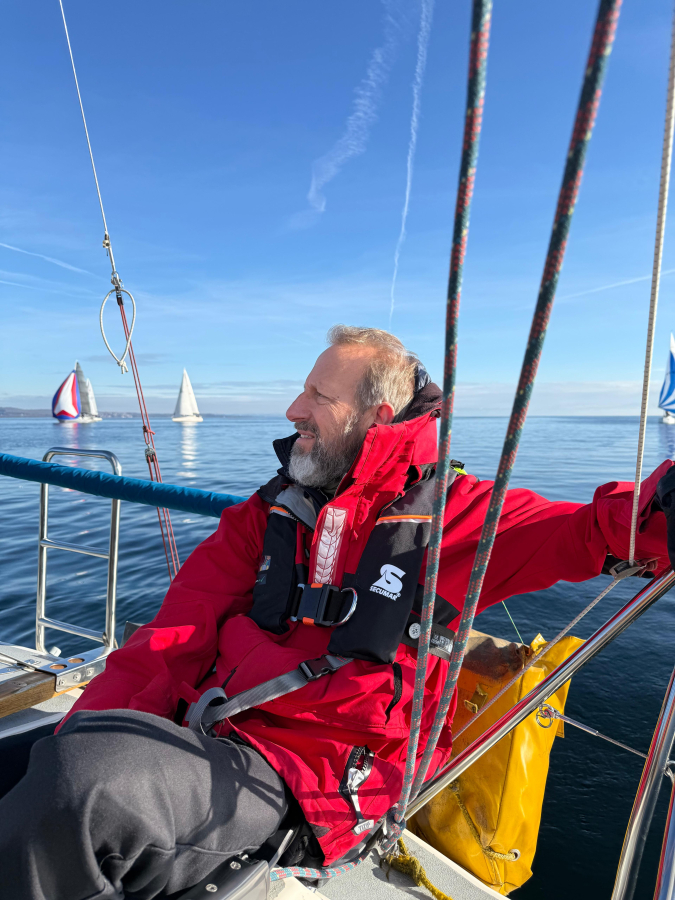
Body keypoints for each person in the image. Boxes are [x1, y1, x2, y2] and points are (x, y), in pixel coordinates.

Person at [1, 324, 674, 900]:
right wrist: (83, 730)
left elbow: (598, 532)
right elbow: (173, 634)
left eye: (318, 396)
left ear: (375, 416)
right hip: (209, 732)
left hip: (319, 782)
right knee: (40, 765)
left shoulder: (457, 517)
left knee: (84, 791)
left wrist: (660, 507)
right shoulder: (269, 513)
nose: (294, 408)